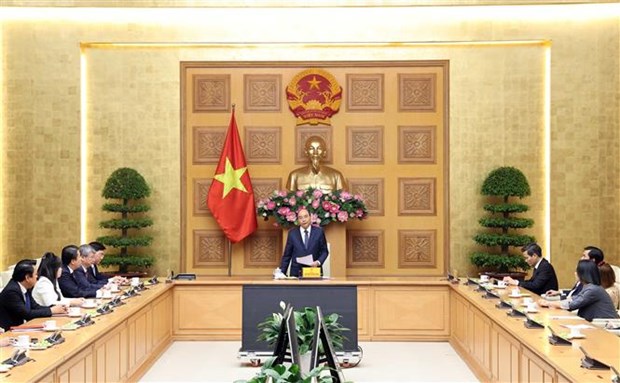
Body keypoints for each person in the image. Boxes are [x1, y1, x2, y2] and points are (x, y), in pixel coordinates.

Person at [538, 260, 619, 321]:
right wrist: (550, 303)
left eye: (577, 271)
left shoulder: (593, 289)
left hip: (606, 325)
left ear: (582, 274)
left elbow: (573, 304)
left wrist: (548, 303)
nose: (575, 273)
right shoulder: (590, 287)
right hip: (596, 323)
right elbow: (575, 298)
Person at [0, 259, 67, 331]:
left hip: (22, 327)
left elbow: (35, 307)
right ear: (27, 278)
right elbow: (27, 314)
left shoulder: (26, 286)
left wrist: (56, 308)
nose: (37, 277)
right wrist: (51, 310)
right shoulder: (11, 291)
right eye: (35, 274)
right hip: (9, 331)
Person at [279, 208, 329, 277]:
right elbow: (287, 255)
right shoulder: (292, 233)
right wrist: (281, 274)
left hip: (314, 272)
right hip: (296, 273)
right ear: (298, 220)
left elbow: (324, 251)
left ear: (310, 217)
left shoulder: (319, 232)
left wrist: (318, 262)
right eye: (300, 218)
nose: (303, 220)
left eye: (305, 216)